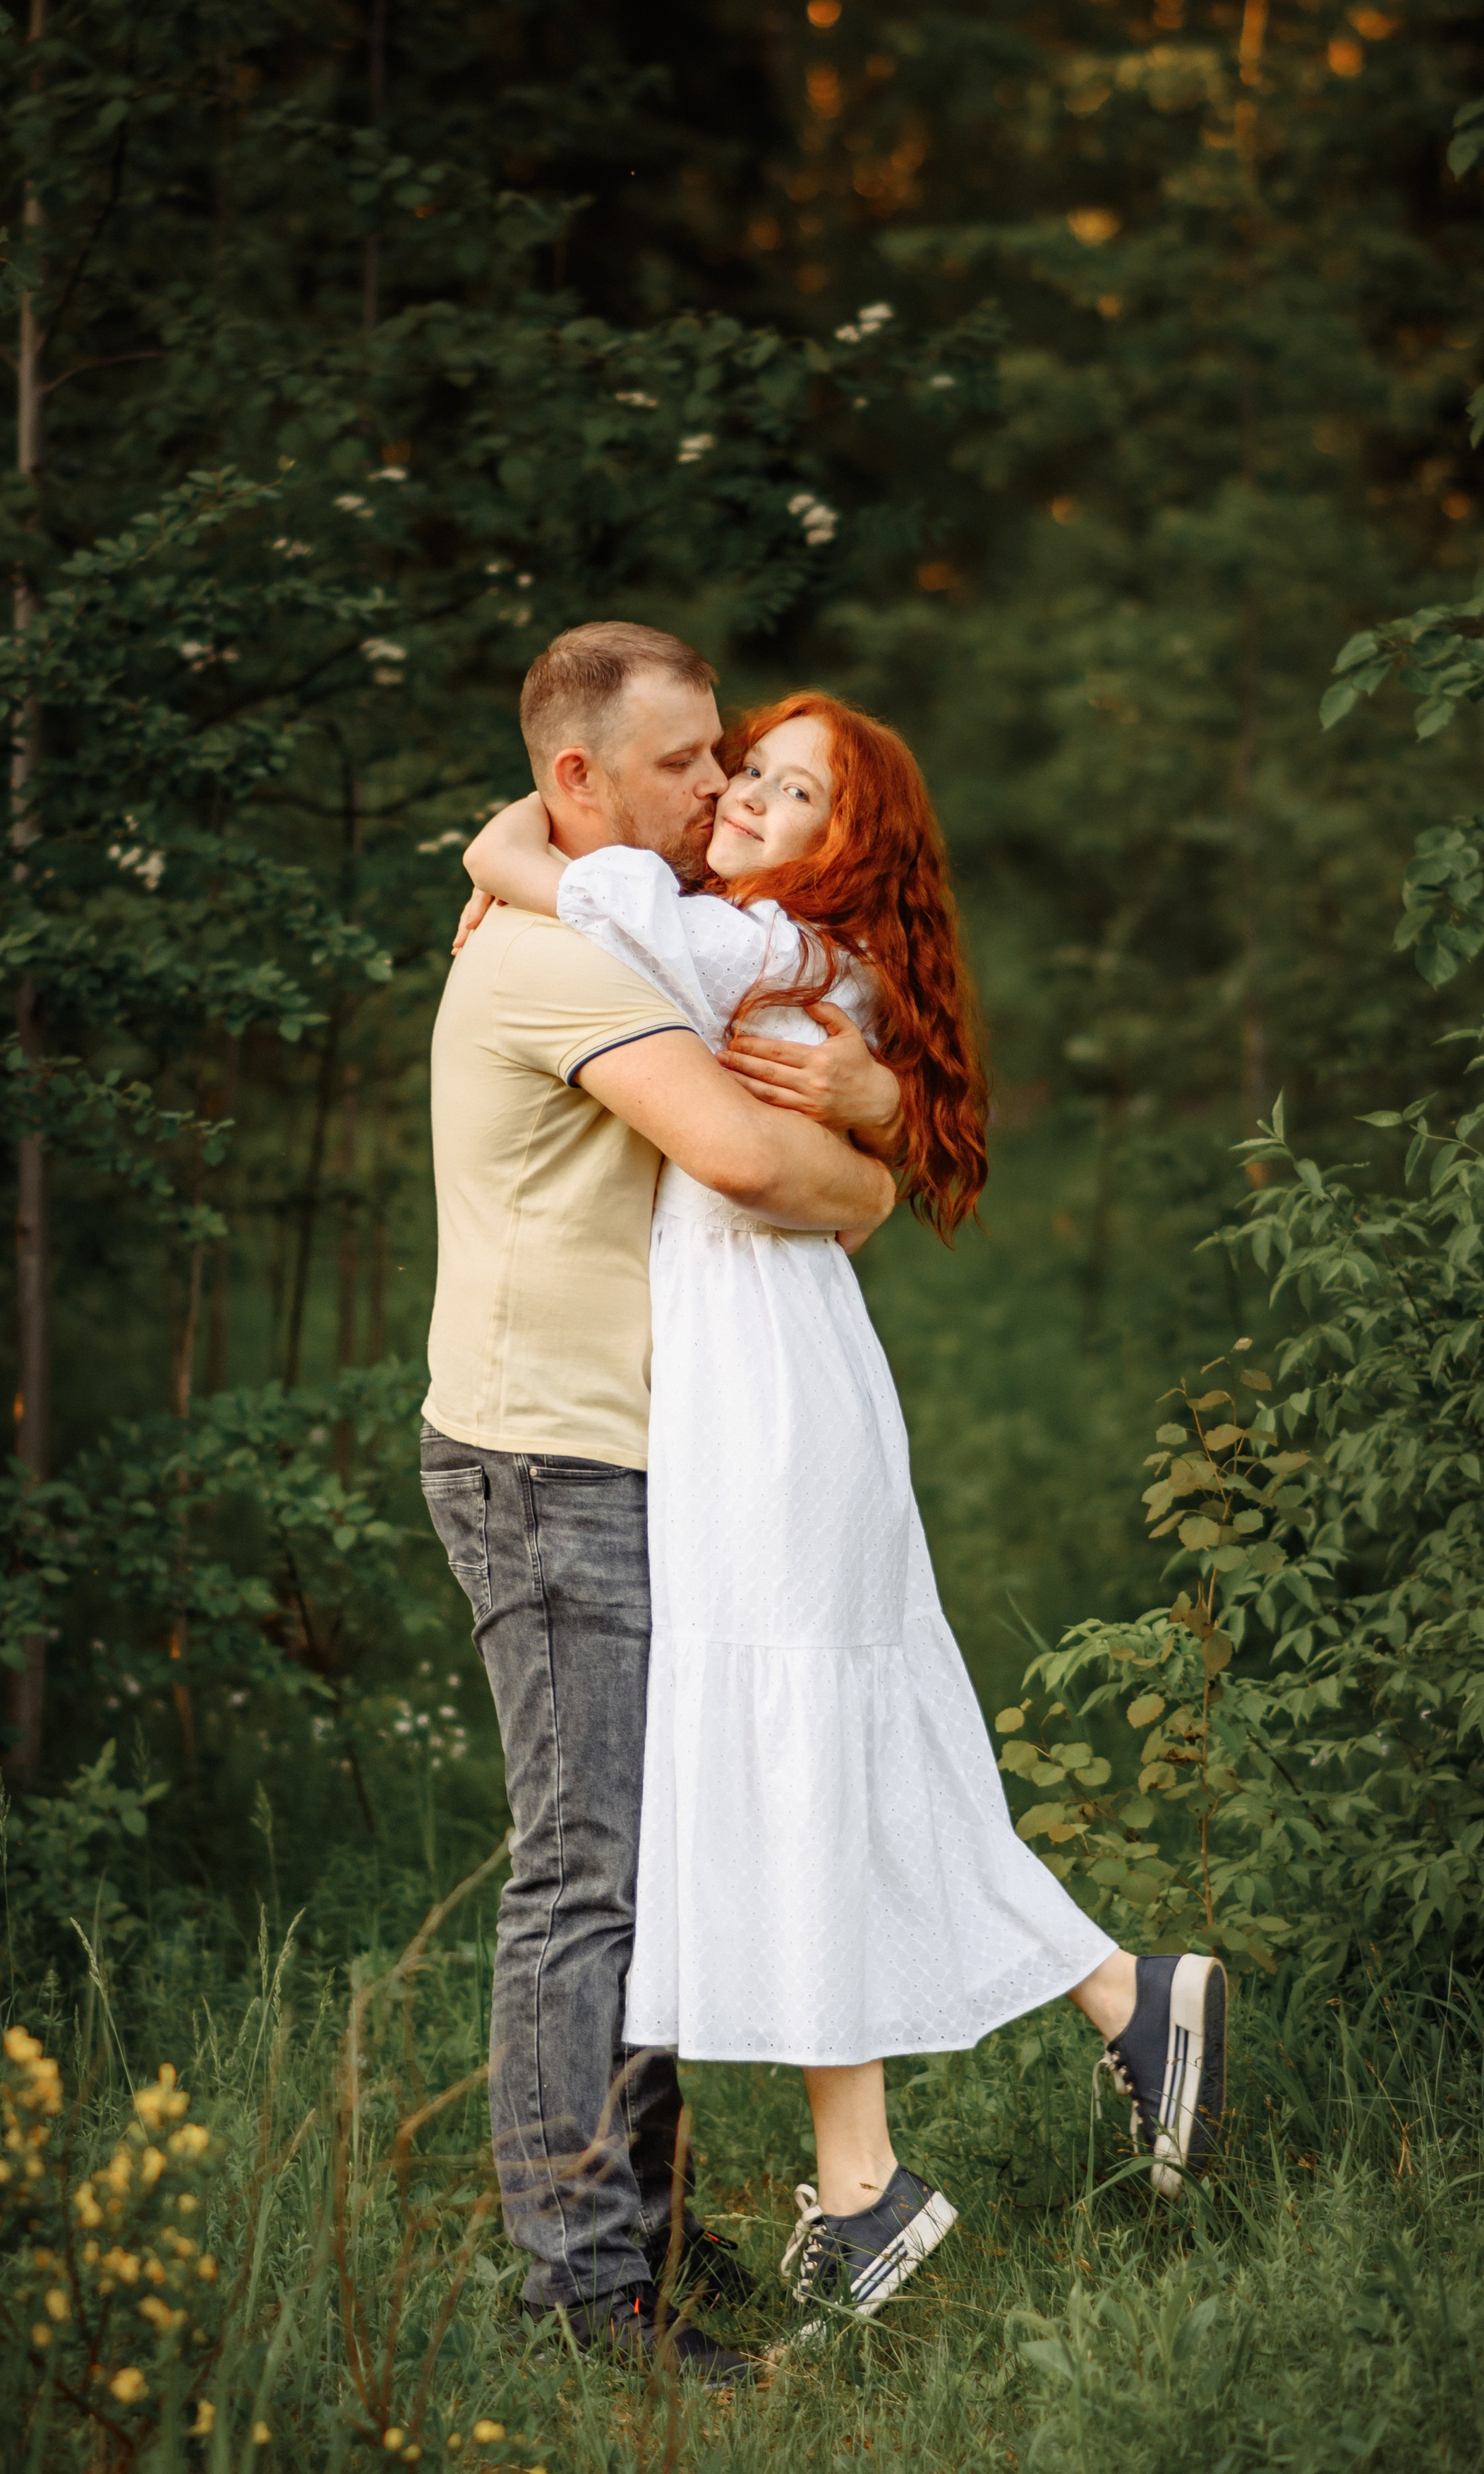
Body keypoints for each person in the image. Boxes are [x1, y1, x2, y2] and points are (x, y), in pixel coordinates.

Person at [456, 684, 1229, 2343]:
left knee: (801, 1743)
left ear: (841, 849)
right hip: (757, 1390)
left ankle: (906, 2155)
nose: (742, 795)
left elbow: (598, 899)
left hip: (765, 1405)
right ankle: (1037, 2054)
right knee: (824, 1750)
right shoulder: (780, 956)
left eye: (789, 792)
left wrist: (505, 848)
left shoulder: (762, 962)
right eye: (746, 769)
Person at [421, 624, 896, 2384]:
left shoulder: (607, 906)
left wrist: (883, 1105)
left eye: (724, 758)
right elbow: (770, 1168)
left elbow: (831, 1186)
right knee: (586, 1877)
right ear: (580, 781)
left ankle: (649, 2241)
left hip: (642, 1458)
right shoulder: (558, 950)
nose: (717, 785)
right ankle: (583, 2291)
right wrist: (874, 1138)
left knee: (646, 1868)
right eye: (688, 760)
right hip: (547, 1461)